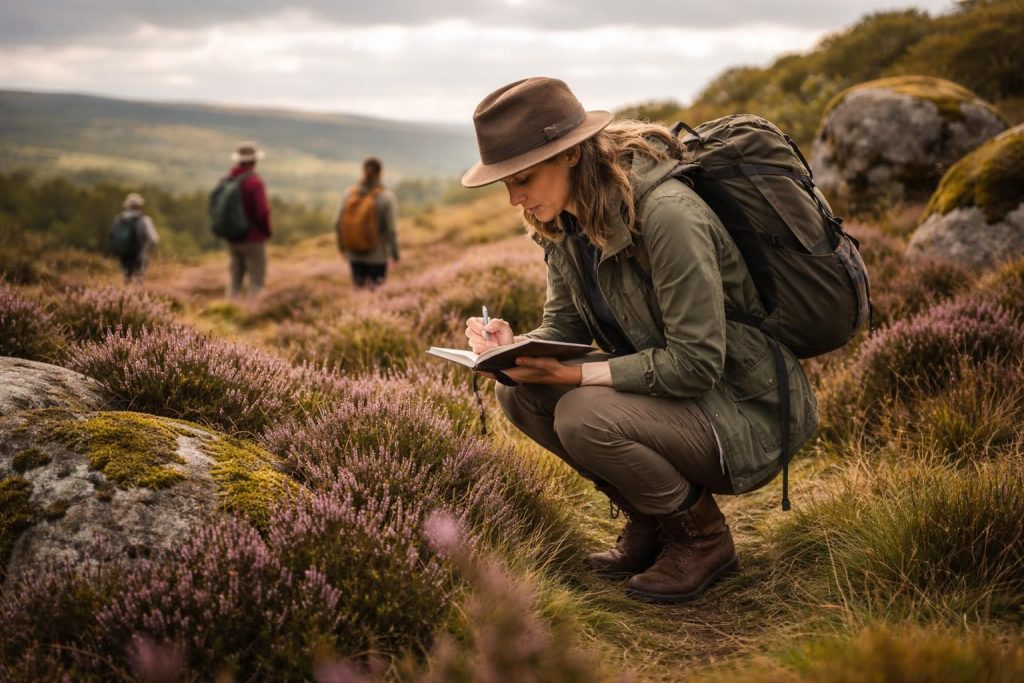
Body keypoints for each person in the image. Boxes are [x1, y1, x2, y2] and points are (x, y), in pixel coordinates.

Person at [460, 77, 818, 604]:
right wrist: (514, 344)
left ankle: (703, 540)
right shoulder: (564, 224)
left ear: (571, 155)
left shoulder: (668, 215)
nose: (515, 198)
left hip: (744, 404)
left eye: (524, 178)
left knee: (582, 414)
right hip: (682, 398)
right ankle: (652, 520)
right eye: (505, 184)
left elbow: (696, 364)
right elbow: (565, 329)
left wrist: (575, 374)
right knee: (519, 392)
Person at [335, 157, 399, 290]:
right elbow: (390, 230)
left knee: (359, 294)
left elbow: (337, 223)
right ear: (381, 173)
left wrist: (342, 249)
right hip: (377, 257)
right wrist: (395, 255)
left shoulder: (349, 194)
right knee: (375, 296)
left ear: (363, 171)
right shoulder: (386, 197)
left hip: (354, 255)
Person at [222, 141, 272, 297]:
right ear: (254, 161)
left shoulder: (226, 180)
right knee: (257, 282)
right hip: (253, 239)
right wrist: (266, 232)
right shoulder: (255, 183)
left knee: (234, 281)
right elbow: (262, 212)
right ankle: (254, 310)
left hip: (232, 238)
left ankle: (229, 308)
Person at [111, 192, 159, 284]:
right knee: (139, 276)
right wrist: (151, 250)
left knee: (126, 275)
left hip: (123, 254)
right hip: (139, 254)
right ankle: (138, 290)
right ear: (140, 205)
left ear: (126, 205)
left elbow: (112, 236)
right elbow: (154, 239)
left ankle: (125, 289)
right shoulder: (145, 220)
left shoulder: (118, 220)